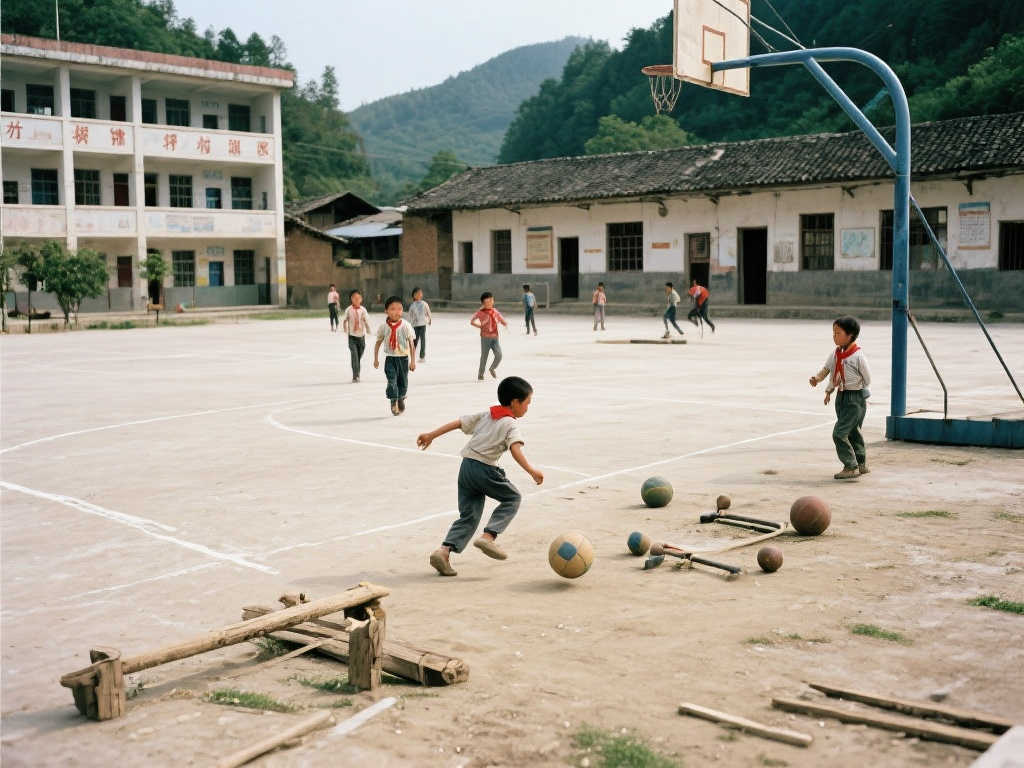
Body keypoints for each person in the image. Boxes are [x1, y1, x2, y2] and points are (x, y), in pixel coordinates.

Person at [418, 376, 544, 576]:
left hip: (466, 468)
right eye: (527, 403)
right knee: (513, 498)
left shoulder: (488, 414)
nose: (528, 408)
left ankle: (443, 551)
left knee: (469, 515)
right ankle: (488, 537)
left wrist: (431, 435)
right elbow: (515, 449)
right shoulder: (510, 424)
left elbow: (458, 423)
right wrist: (531, 470)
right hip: (485, 469)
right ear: (515, 402)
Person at [809, 316, 872, 480]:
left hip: (854, 398)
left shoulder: (858, 356)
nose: (834, 336)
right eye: (833, 333)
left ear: (850, 335)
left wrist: (860, 390)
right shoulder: (836, 353)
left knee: (839, 433)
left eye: (838, 333)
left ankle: (850, 466)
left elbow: (867, 378)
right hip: (841, 396)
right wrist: (818, 380)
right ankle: (861, 463)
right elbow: (827, 369)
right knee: (852, 431)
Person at [373, 296, 417, 415]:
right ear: (386, 311)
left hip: (403, 359)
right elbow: (378, 343)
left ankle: (400, 397)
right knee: (392, 380)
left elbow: (412, 345)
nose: (396, 312)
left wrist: (413, 361)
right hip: (390, 359)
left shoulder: (406, 325)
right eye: (392, 309)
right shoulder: (383, 327)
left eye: (399, 309)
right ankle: (393, 401)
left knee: (403, 382)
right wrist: (376, 359)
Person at [471, 292, 508, 380]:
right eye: (488, 302)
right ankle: (480, 374)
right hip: (485, 338)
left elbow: (500, 318)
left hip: (495, 337)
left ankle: (492, 368)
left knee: (499, 355)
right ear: (483, 303)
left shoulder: (495, 311)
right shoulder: (480, 312)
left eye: (492, 301)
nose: (491, 303)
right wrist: (480, 326)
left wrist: (504, 323)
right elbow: (472, 321)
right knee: (484, 356)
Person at [343, 289, 371, 382]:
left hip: (361, 337)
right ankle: (356, 376)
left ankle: (356, 368)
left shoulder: (363, 310)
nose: (356, 299)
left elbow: (366, 320)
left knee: (358, 356)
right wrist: (345, 328)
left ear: (361, 299)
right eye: (354, 298)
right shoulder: (348, 310)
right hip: (352, 337)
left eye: (358, 298)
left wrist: (368, 329)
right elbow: (344, 320)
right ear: (351, 299)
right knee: (354, 355)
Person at [408, 287, 432, 362]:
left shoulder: (424, 303)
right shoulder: (412, 305)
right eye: (417, 293)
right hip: (415, 325)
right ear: (413, 296)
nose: (419, 294)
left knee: (423, 340)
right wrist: (409, 324)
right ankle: (412, 355)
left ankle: (422, 356)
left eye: (420, 293)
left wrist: (430, 319)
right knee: (415, 340)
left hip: (423, 324)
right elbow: (410, 315)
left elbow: (428, 311)